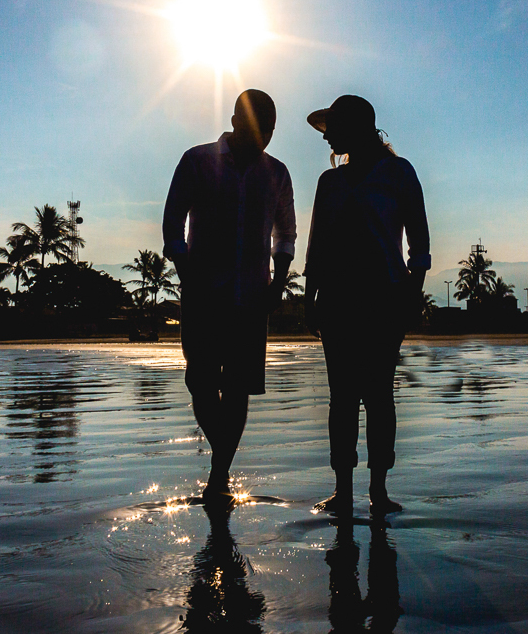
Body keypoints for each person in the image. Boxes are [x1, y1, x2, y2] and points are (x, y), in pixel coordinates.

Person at [163, 89, 296, 504]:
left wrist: (279, 280)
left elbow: (285, 232)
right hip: (203, 296)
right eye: (258, 127)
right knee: (199, 383)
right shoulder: (197, 161)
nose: (264, 138)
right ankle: (222, 462)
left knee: (238, 390)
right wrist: (187, 274)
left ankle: (218, 476)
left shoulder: (277, 173)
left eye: (271, 130)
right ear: (235, 120)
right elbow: (173, 223)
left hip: (252, 298)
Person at [303, 94, 430, 516]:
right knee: (342, 398)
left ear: (355, 128)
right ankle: (343, 490)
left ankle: (378, 490)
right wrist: (309, 298)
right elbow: (316, 246)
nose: (327, 139)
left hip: (385, 297)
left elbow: (419, 241)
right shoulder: (330, 182)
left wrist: (414, 292)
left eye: (332, 130)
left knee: (377, 395)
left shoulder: (398, 173)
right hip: (336, 299)